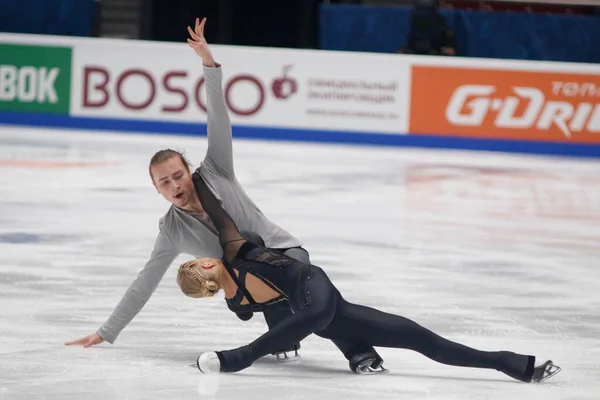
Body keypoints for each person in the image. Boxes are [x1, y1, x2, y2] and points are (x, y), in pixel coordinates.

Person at [65, 17, 385, 374]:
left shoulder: (215, 170)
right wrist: (107, 332)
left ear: (188, 171)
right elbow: (145, 280)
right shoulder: (171, 229)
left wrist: (207, 63)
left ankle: (361, 353)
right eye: (164, 183)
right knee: (251, 288)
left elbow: (217, 117)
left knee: (313, 303)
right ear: (156, 189)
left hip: (283, 251)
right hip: (247, 274)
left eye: (177, 175)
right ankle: (282, 329)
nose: (174, 186)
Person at [174, 166, 562, 382]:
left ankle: (239, 358)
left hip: (313, 288)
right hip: (318, 303)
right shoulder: (234, 253)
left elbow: (254, 307)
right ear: (206, 266)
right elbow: (221, 214)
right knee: (418, 338)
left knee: (313, 317)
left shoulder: (236, 302)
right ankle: (511, 362)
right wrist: (196, 182)